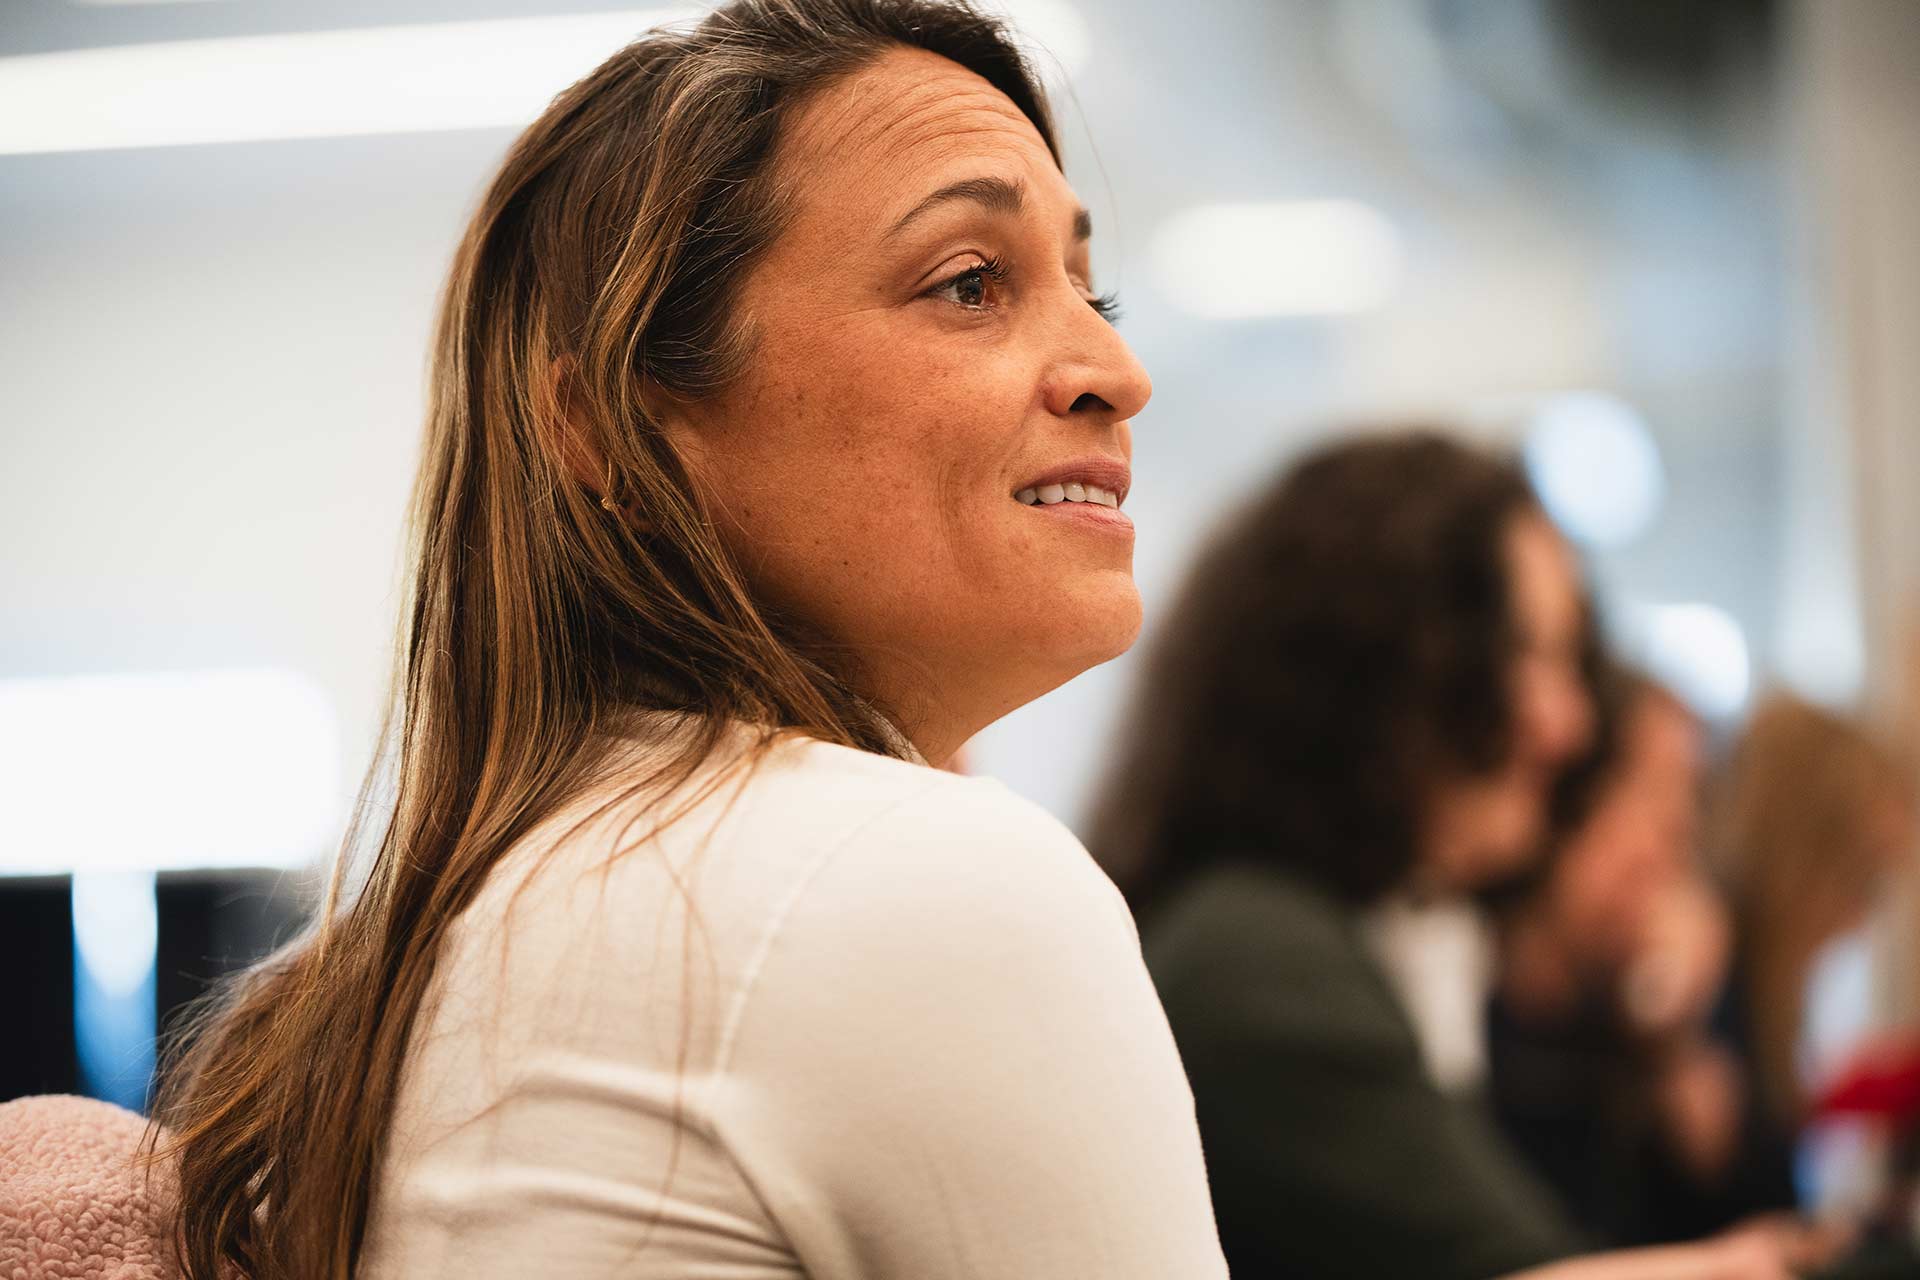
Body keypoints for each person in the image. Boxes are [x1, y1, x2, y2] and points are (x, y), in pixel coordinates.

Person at [151, 3, 1227, 1278]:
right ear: (614, 421)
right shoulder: (910, 878)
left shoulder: (421, 938)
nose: (1115, 366)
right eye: (970, 283)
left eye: (1088, 286)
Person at [1089, 430, 1794, 1280]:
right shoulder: (1256, 954)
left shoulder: (1377, 934)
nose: (1567, 724)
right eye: (1529, 655)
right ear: (1387, 661)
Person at [1488, 672, 1802, 1249]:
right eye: (1648, 788)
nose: (1678, 830)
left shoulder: (1661, 995)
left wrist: (1672, 1045)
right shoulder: (1461, 1001)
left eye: (1690, 794)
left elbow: (1776, 1227)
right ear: (1563, 796)